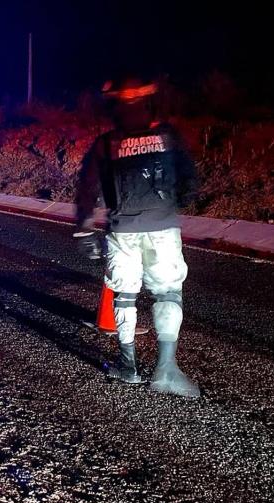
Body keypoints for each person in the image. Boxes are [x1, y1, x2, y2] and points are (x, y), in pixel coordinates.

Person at [74, 77, 201, 398]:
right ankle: (166, 370)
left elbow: (88, 187)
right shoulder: (167, 135)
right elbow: (189, 177)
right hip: (162, 228)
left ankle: (128, 366)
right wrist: (177, 201)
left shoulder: (106, 144)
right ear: (148, 105)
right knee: (168, 292)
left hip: (123, 232)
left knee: (124, 294)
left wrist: (85, 227)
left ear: (114, 108)